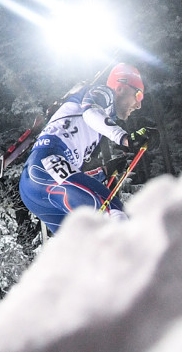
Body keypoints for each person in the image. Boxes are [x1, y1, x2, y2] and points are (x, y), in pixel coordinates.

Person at [18, 63, 148, 233]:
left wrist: (104, 171)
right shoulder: (105, 93)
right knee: (114, 212)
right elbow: (90, 112)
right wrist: (126, 139)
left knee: (81, 242)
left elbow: (70, 174)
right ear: (121, 88)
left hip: (35, 185)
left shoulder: (97, 123)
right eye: (138, 95)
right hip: (47, 163)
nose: (139, 105)